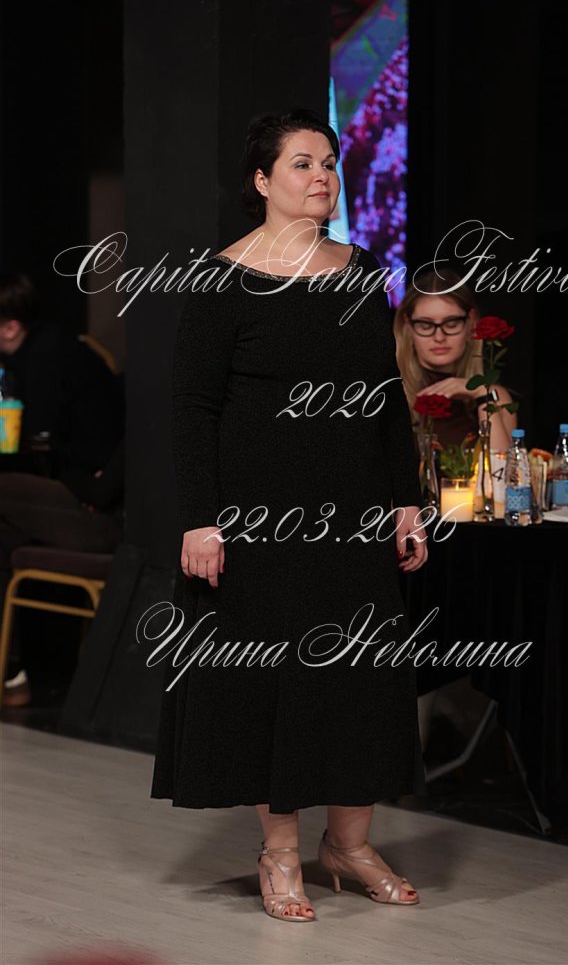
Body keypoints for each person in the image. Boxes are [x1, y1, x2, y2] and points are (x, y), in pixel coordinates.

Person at [150, 109, 429, 921]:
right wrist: (201, 519)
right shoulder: (222, 278)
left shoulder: (361, 270)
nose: (323, 176)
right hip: (259, 521)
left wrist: (404, 500)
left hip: (353, 514)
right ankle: (279, 853)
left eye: (330, 163)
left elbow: (384, 397)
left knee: (359, 677)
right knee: (273, 683)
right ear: (262, 180)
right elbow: (193, 408)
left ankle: (348, 843)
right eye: (303, 163)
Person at [0, 272, 125, 704]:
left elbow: (51, 450)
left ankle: (16, 670)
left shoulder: (49, 359)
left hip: (101, 510)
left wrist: (92, 486)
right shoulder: (31, 357)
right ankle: (14, 672)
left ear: (10, 326)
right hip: (76, 492)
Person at [394, 267, 517, 451]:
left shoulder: (494, 396)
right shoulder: (389, 392)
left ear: (471, 322)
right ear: (408, 326)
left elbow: (499, 466)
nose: (439, 337)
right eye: (425, 325)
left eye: (451, 324)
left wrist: (481, 394)